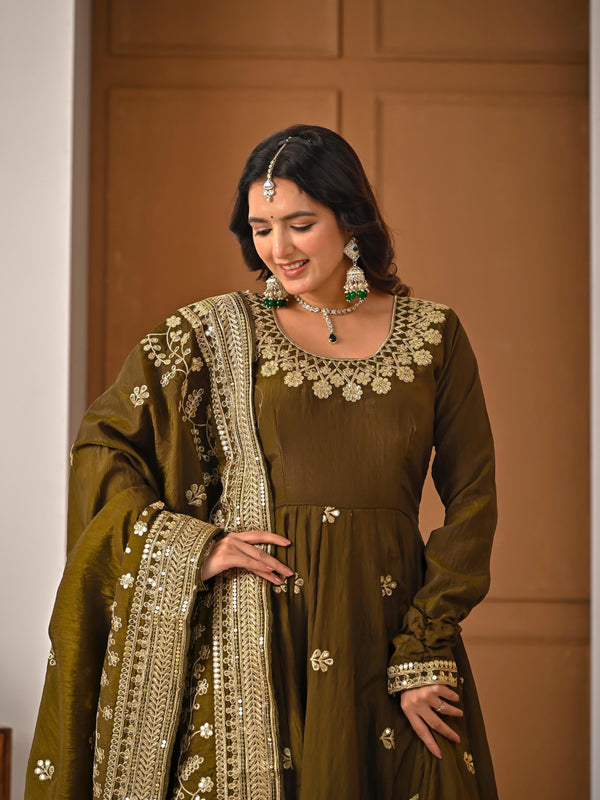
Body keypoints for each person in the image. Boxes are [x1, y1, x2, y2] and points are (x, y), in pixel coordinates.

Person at [27, 124, 498, 800]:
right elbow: (104, 444)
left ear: (351, 218)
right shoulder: (212, 331)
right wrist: (192, 546)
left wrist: (427, 642)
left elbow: (474, 496)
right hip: (252, 637)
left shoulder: (435, 336)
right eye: (261, 227)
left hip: (391, 636)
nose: (278, 248)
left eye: (299, 224)